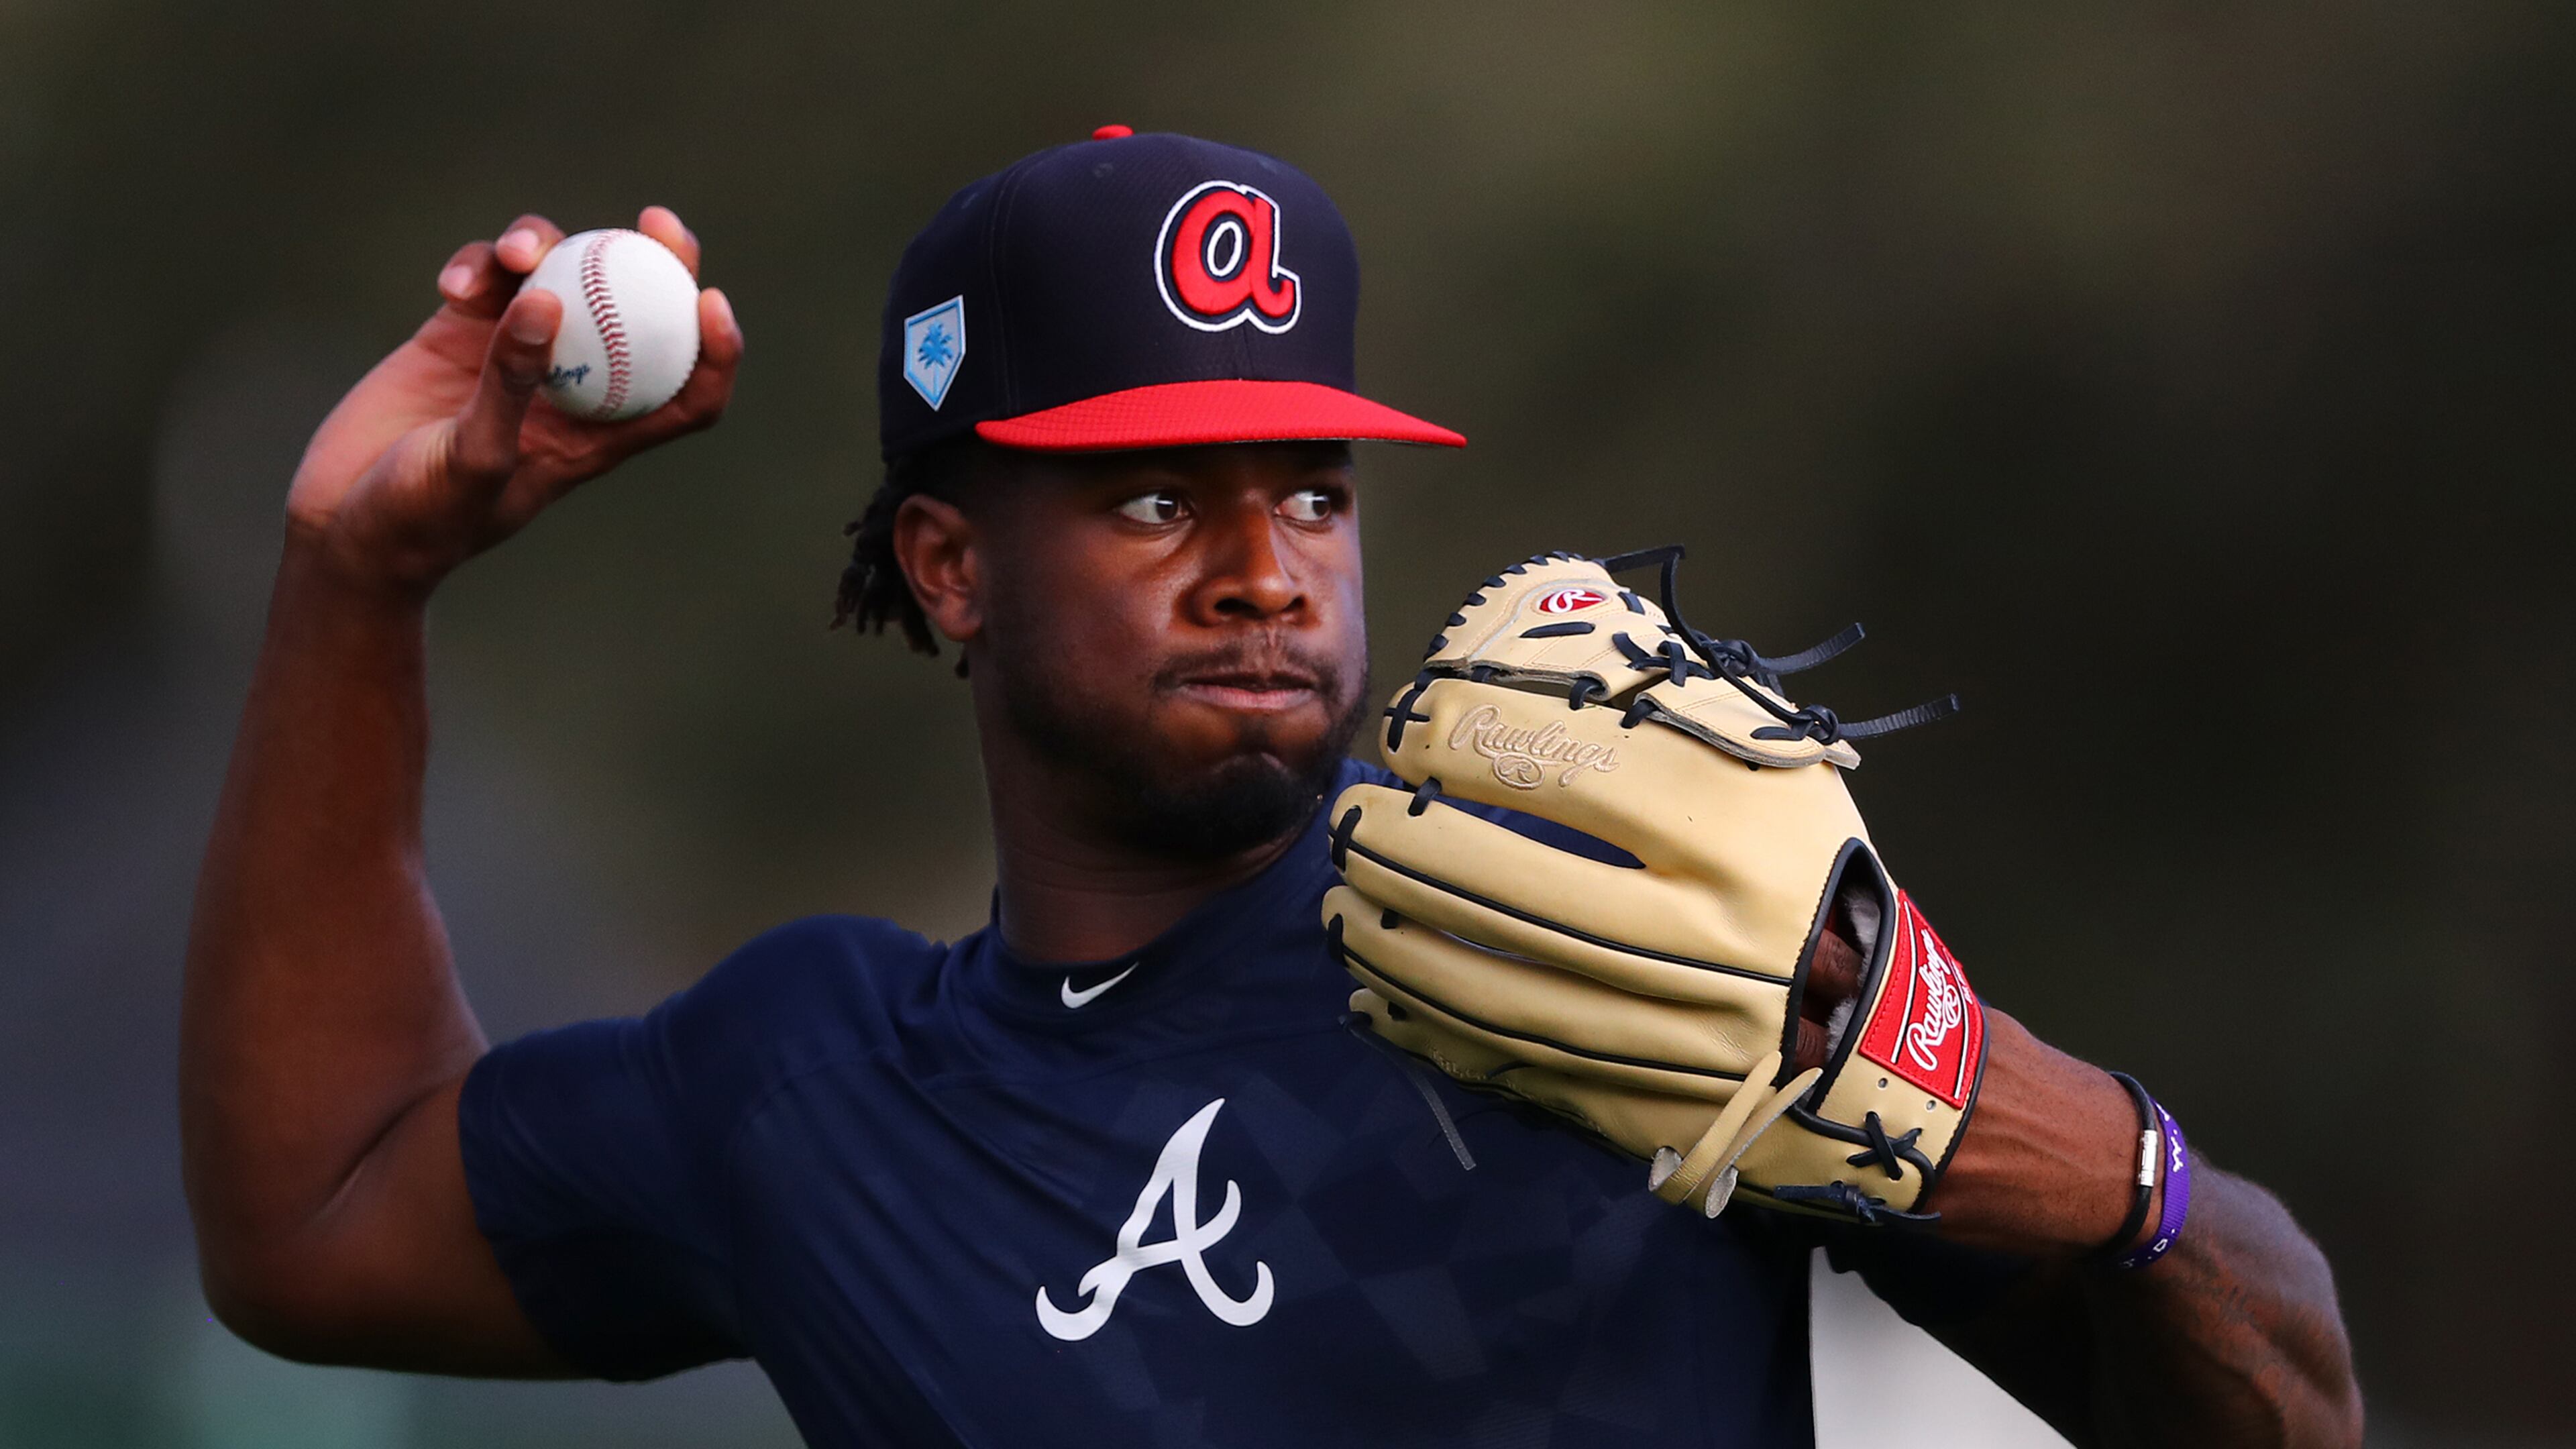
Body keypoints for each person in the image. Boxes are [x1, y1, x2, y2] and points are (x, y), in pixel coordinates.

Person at [181, 127, 2363, 1446]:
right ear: (948, 564)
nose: (1260, 569)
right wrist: (358, 580)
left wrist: (2058, 1143)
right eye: (1148, 503)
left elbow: (2286, 1406)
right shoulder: (816, 1092)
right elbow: (314, 1216)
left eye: (1307, 493)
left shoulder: (1609, 946)